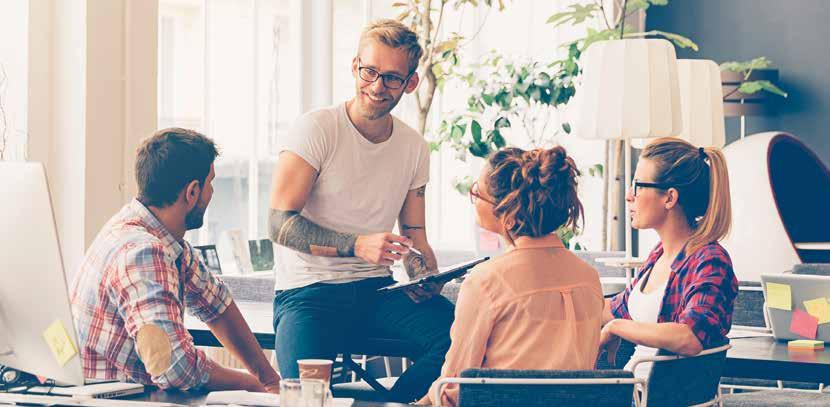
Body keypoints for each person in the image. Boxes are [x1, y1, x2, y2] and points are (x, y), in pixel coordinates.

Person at [268, 19, 453, 402]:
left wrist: (426, 275)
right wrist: (357, 245)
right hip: (308, 293)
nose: (376, 87)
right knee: (307, 396)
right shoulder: (317, 128)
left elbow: (415, 234)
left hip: (377, 289)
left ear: (410, 83)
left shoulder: (414, 147)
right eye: (369, 72)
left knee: (459, 339)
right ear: (355, 66)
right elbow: (279, 224)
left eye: (391, 78)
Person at [70, 128, 281, 392]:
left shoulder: (155, 234)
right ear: (192, 192)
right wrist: (255, 386)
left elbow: (215, 302)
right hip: (116, 398)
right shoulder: (144, 253)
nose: (212, 192)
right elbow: (175, 369)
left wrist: (271, 381)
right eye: (210, 183)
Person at [420, 146, 604, 407]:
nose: (473, 200)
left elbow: (453, 388)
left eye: (477, 194)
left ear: (507, 213)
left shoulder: (486, 282)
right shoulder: (590, 278)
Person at [600, 137, 739, 378]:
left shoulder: (709, 260)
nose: (629, 196)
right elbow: (614, 309)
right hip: (633, 393)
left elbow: (690, 337)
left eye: (637, 186)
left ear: (670, 198)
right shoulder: (659, 255)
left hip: (662, 397)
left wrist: (617, 327)